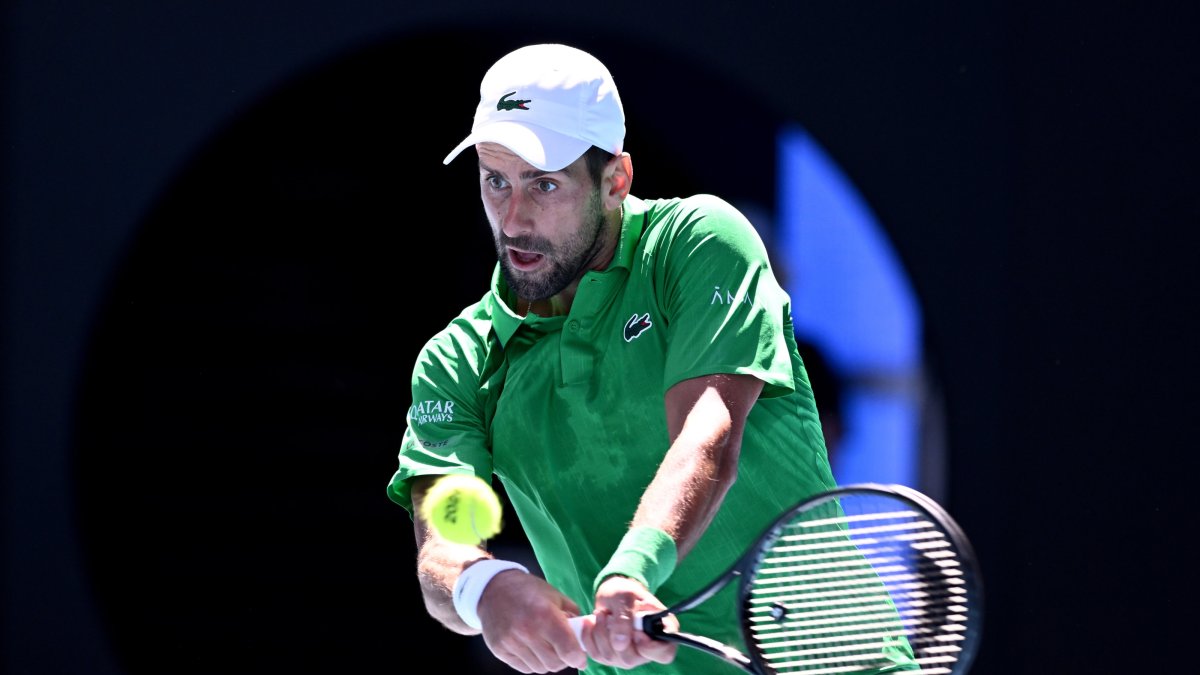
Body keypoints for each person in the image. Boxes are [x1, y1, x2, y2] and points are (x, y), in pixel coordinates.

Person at [385, 43, 839, 674]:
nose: (513, 220)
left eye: (544, 184)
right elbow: (443, 546)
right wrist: (481, 587)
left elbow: (707, 437)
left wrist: (632, 569)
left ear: (615, 182)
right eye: (496, 181)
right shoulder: (456, 364)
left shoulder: (699, 243)